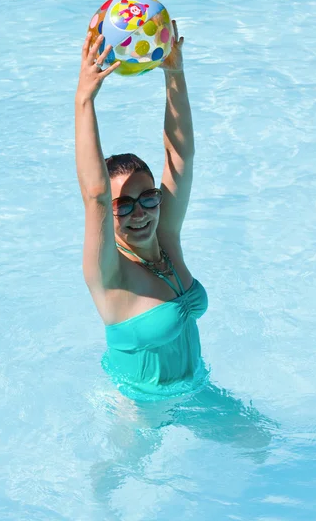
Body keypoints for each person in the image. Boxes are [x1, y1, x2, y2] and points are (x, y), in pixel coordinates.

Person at [75, 21, 209, 400]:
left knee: (259, 446)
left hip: (196, 389)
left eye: (148, 198)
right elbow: (95, 194)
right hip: (137, 411)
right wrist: (85, 99)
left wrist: (174, 73)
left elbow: (181, 155)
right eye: (124, 205)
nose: (140, 213)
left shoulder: (166, 238)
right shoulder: (110, 272)